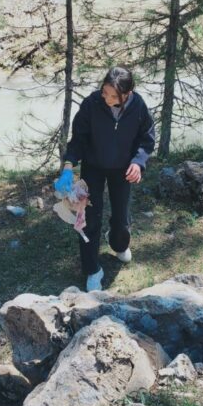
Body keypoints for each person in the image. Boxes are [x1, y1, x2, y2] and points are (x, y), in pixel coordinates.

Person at [55, 67, 155, 291]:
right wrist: (69, 165)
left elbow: (147, 139)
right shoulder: (91, 104)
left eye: (113, 96)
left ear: (127, 94)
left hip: (123, 169)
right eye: (104, 93)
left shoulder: (138, 107)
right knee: (89, 217)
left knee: (121, 217)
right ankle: (92, 270)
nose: (107, 99)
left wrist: (138, 162)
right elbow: (78, 138)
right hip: (94, 167)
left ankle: (118, 243)